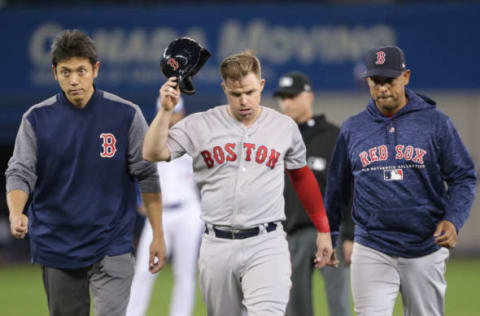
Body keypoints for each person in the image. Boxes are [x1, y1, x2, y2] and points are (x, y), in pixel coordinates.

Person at [143, 50, 337, 316]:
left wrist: (323, 229)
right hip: (216, 244)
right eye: (236, 94)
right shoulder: (200, 125)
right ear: (224, 89)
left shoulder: (283, 127)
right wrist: (165, 111)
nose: (244, 100)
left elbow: (302, 177)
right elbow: (152, 152)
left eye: (250, 92)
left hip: (267, 243)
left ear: (261, 85)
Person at [5, 29, 167, 316]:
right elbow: (20, 172)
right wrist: (17, 212)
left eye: (81, 70)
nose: (74, 79)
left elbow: (147, 175)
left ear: (96, 69)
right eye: (66, 72)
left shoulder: (126, 114)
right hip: (57, 245)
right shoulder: (36, 118)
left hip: (112, 242)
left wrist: (157, 234)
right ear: (54, 72)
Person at [324, 45, 477, 316]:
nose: (382, 88)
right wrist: (329, 233)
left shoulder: (436, 123)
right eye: (376, 81)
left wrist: (454, 219)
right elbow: (337, 187)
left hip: (425, 245)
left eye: (389, 80)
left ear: (405, 77)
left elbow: (463, 176)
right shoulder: (353, 128)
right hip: (372, 246)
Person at [274, 71, 353, 316]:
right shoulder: (276, 139)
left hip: (331, 233)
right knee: (295, 307)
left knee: (339, 304)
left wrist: (350, 234)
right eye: (283, 97)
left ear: (309, 96)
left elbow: (349, 188)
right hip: (291, 234)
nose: (286, 102)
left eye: (292, 96)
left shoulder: (334, 136)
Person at [127, 97, 203, 316]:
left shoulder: (193, 141)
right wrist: (139, 200)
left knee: (185, 273)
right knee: (143, 270)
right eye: (167, 112)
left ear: (183, 113)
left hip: (188, 211)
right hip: (158, 214)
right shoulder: (149, 139)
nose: (172, 118)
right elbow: (135, 173)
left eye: (175, 112)